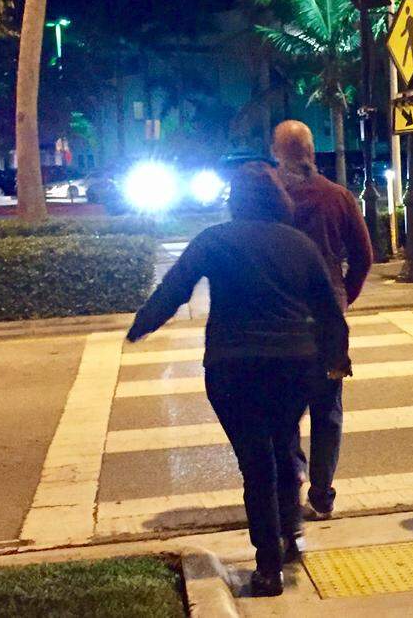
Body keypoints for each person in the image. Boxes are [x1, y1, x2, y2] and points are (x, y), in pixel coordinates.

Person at [126, 163, 349, 597]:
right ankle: (290, 535)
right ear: (277, 199)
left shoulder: (215, 239)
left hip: (234, 366)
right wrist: (335, 363)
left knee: (256, 463)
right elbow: (328, 311)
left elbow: (174, 290)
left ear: (235, 199)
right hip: (293, 366)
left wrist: (141, 326)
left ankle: (268, 566)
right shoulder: (298, 244)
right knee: (284, 449)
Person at [271, 120, 373, 519]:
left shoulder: (270, 199)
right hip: (328, 317)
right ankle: (321, 491)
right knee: (327, 407)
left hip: (281, 316)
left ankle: (292, 477)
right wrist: (344, 296)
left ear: (277, 152)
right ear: (312, 151)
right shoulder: (338, 197)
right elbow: (363, 257)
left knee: (283, 405)